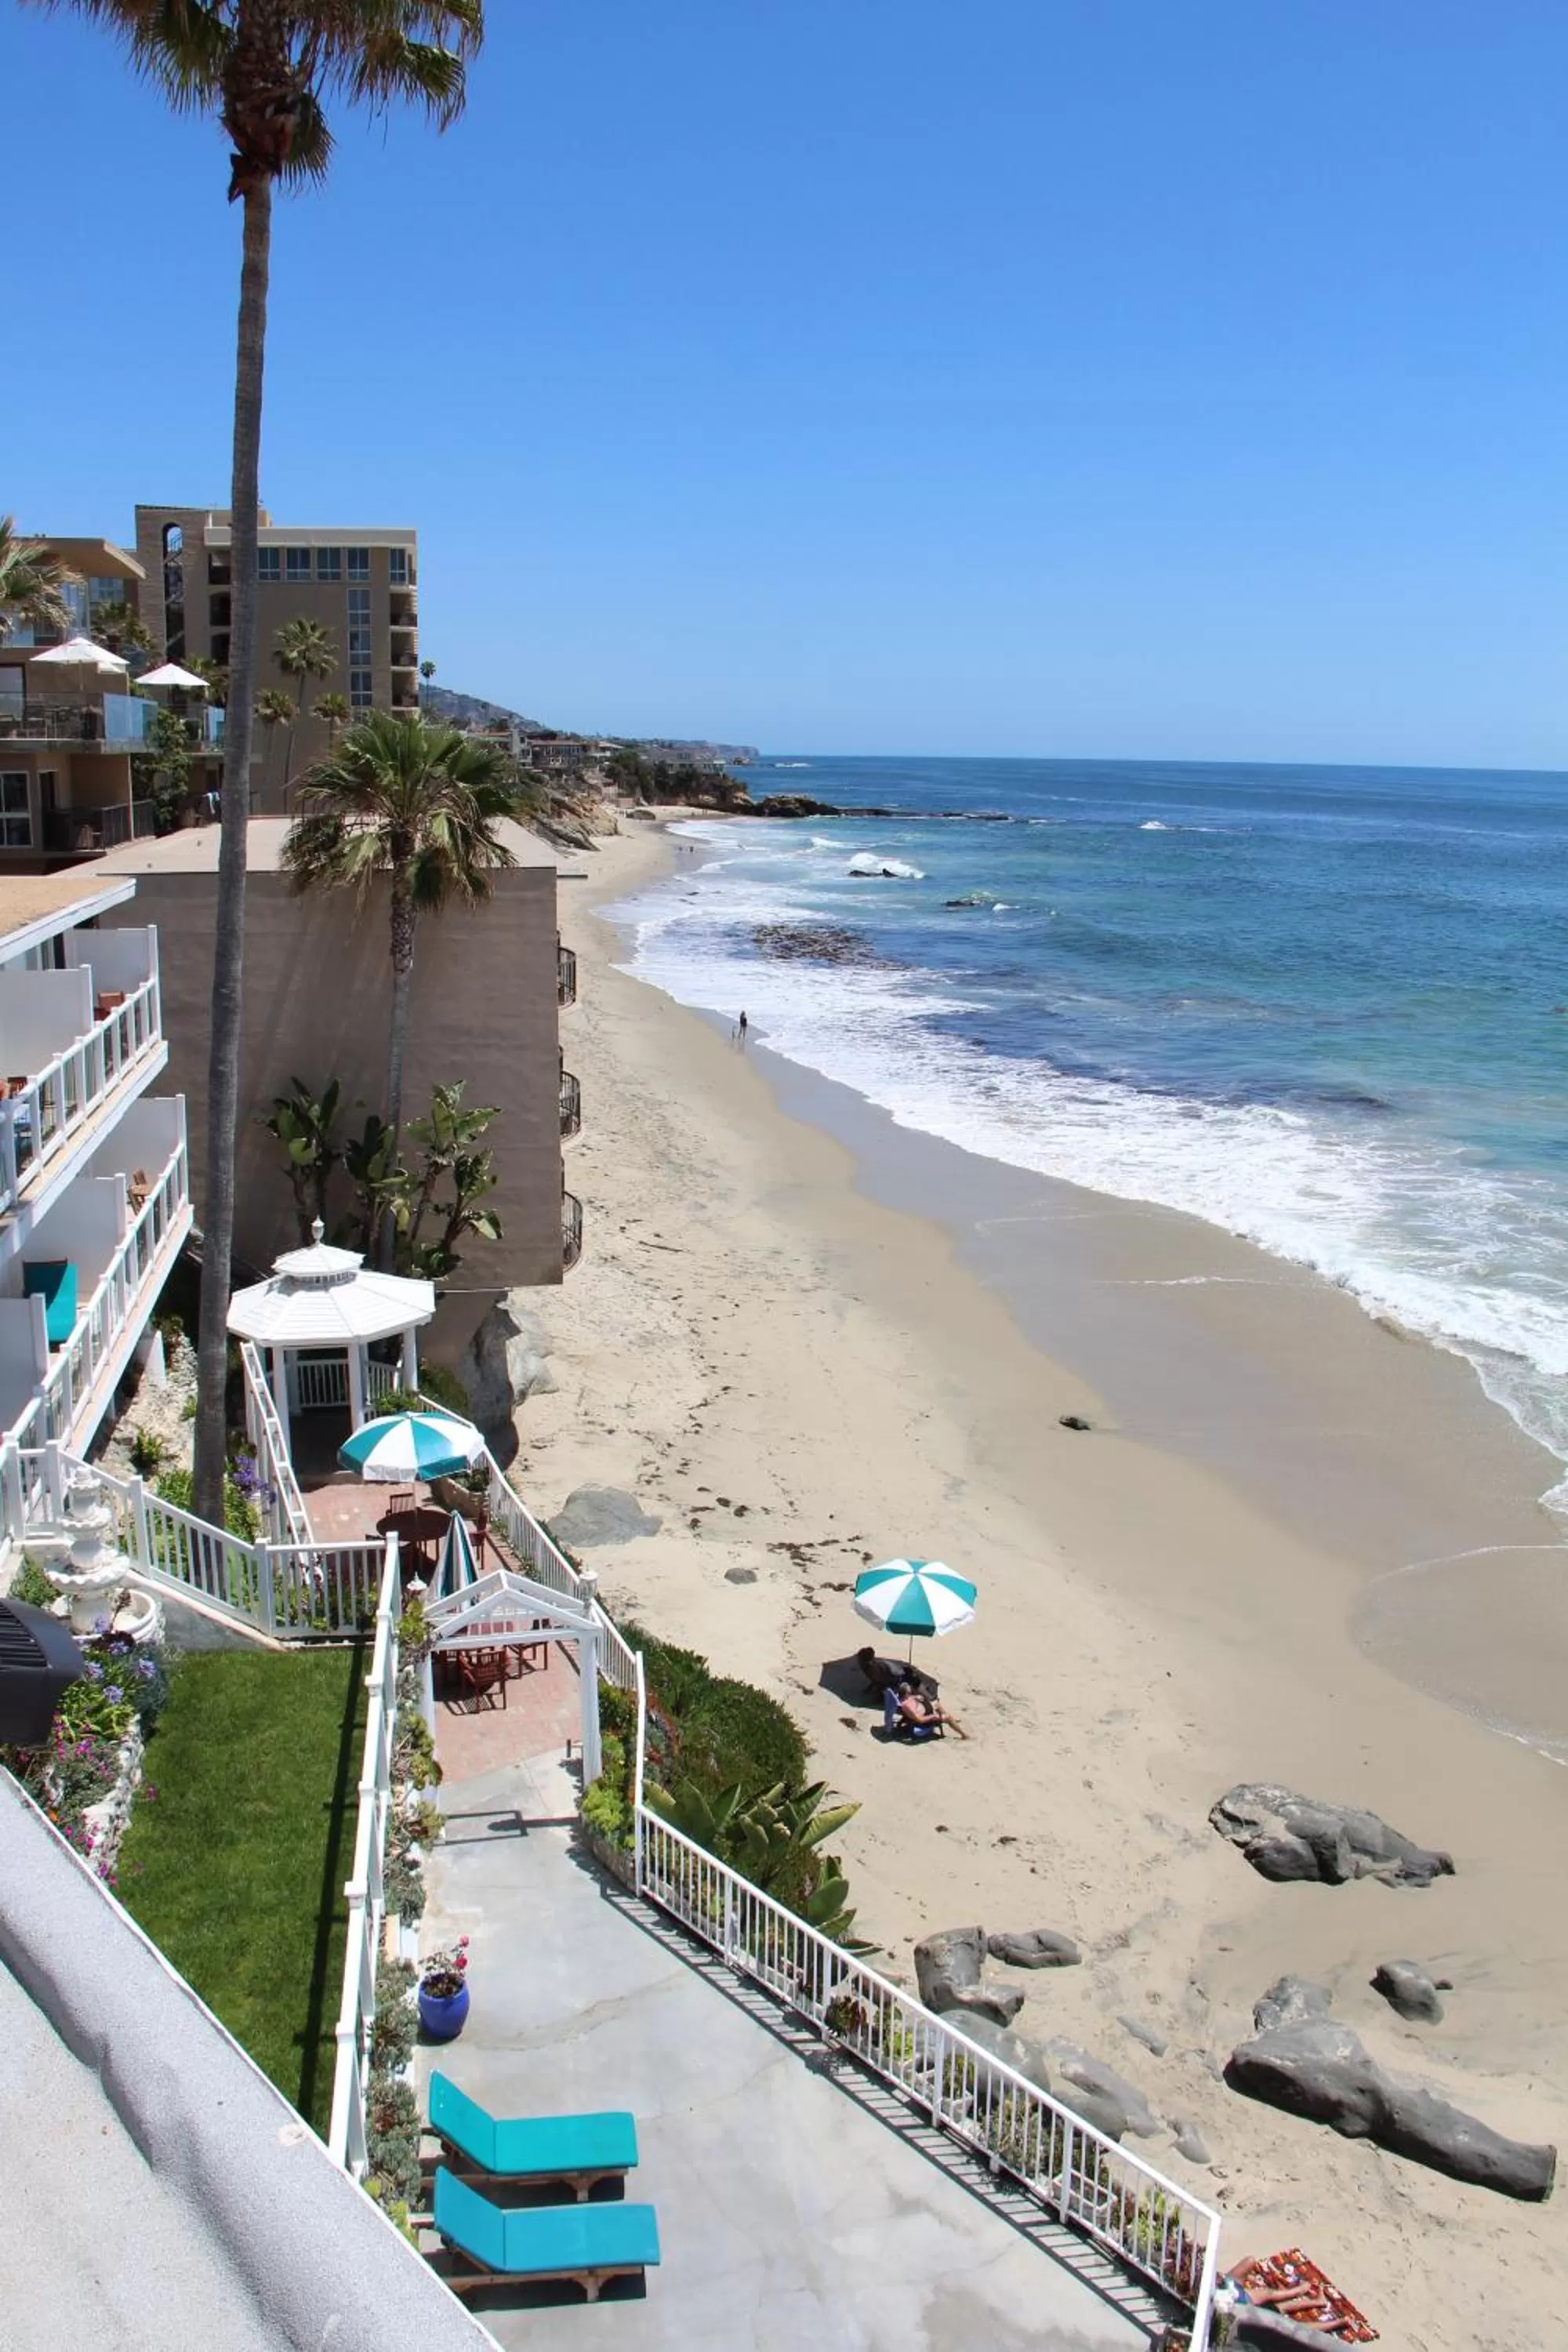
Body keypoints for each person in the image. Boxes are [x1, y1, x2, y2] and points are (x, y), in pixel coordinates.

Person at [896, 1679, 968, 1741]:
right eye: (909, 1692)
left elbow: (909, 1699)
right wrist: (933, 1716)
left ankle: (953, 1720)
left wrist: (915, 1697)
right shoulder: (907, 1706)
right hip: (924, 1722)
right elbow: (920, 1719)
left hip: (925, 1712)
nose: (911, 1692)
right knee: (947, 1717)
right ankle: (964, 1735)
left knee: (937, 1705)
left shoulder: (904, 1699)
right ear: (906, 1693)